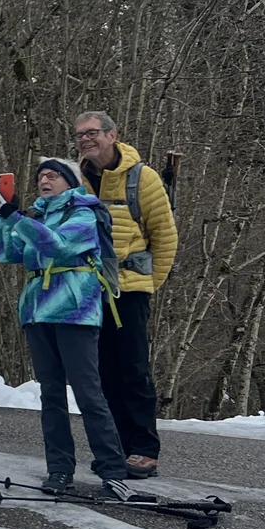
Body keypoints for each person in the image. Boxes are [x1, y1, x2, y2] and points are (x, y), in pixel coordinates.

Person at [0, 158, 132, 499]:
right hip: (37, 313)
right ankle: (59, 470)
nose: (44, 180)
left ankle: (113, 472)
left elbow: (59, 247)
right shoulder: (34, 216)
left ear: (70, 181)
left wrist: (16, 218)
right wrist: (1, 216)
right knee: (51, 395)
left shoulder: (84, 213)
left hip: (75, 312)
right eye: (40, 176)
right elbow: (3, 253)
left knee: (87, 393)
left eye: (53, 175)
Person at [73, 111, 178, 479]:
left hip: (129, 291)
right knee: (101, 375)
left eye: (92, 133)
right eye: (80, 134)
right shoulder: (75, 179)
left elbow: (165, 236)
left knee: (133, 371)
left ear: (112, 135)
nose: (85, 140)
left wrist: (148, 283)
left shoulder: (142, 178)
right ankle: (114, 448)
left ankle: (144, 450)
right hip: (87, 292)